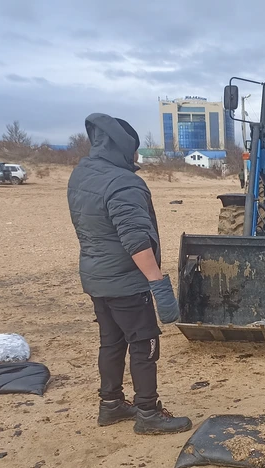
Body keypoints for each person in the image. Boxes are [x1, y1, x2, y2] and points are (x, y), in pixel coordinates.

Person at [67, 113, 192, 435]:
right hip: (125, 282)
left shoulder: (82, 174)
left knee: (110, 342)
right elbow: (135, 239)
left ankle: (110, 404)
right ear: (123, 148)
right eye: (134, 149)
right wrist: (157, 284)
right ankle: (148, 412)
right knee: (144, 344)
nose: (136, 156)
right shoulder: (123, 183)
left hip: (95, 277)